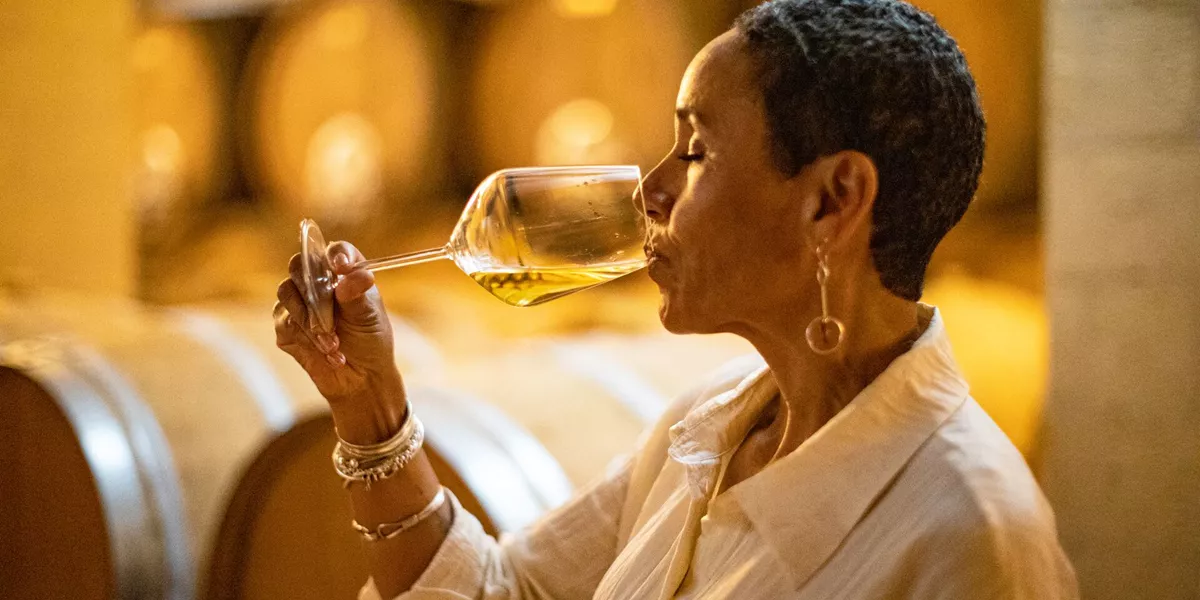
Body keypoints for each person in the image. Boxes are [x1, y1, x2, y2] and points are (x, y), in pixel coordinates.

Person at [273, 0, 1079, 598]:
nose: (651, 189)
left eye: (696, 151)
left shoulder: (973, 539)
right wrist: (369, 404)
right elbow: (503, 593)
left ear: (833, 200)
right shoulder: (705, 430)